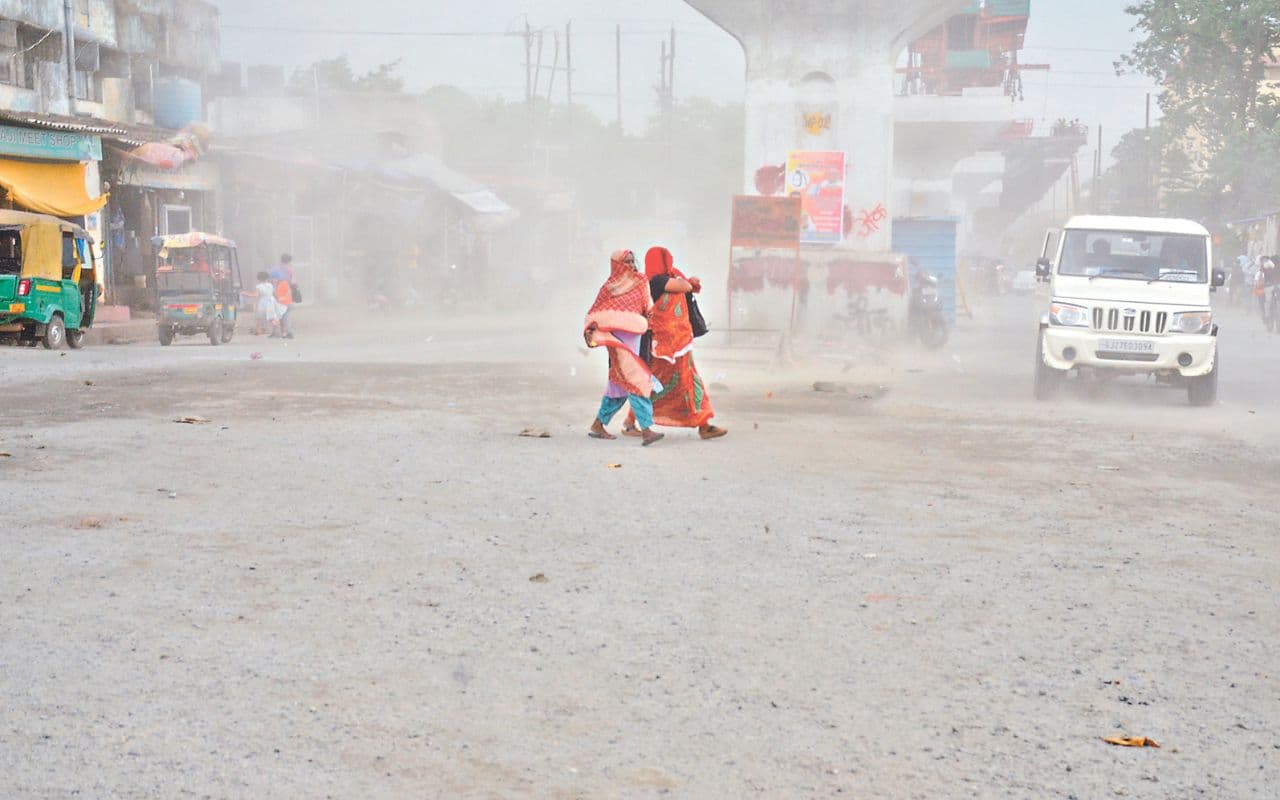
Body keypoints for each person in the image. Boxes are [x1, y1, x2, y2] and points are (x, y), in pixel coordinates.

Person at [622, 247, 726, 440]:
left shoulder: (665, 279)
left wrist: (684, 280)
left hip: (678, 344)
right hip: (661, 346)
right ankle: (630, 422)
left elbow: (685, 285)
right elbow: (685, 287)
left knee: (687, 380)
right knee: (652, 384)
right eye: (667, 260)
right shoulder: (656, 281)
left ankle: (703, 424)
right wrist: (686, 280)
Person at [584, 250, 664, 446]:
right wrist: (591, 329)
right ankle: (646, 431)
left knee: (618, 387)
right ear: (616, 265)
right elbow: (597, 311)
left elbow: (648, 307)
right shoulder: (609, 287)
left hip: (634, 336)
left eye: (631, 261)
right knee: (634, 379)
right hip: (617, 340)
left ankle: (597, 425)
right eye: (625, 262)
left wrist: (648, 324)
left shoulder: (640, 281)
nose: (629, 265)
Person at [243, 271, 279, 336]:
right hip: (271, 302)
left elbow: (255, 295)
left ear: (259, 278)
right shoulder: (270, 285)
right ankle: (276, 329)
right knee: (271, 317)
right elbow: (275, 294)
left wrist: (246, 293)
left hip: (263, 303)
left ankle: (257, 331)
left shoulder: (259, 286)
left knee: (258, 318)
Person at [274, 274, 295, 339]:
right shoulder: (280, 284)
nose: (274, 280)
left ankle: (289, 333)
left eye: (275, 278)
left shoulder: (283, 283)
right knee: (283, 319)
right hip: (283, 304)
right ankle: (284, 333)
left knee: (286, 319)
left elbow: (288, 292)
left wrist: (283, 298)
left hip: (285, 304)